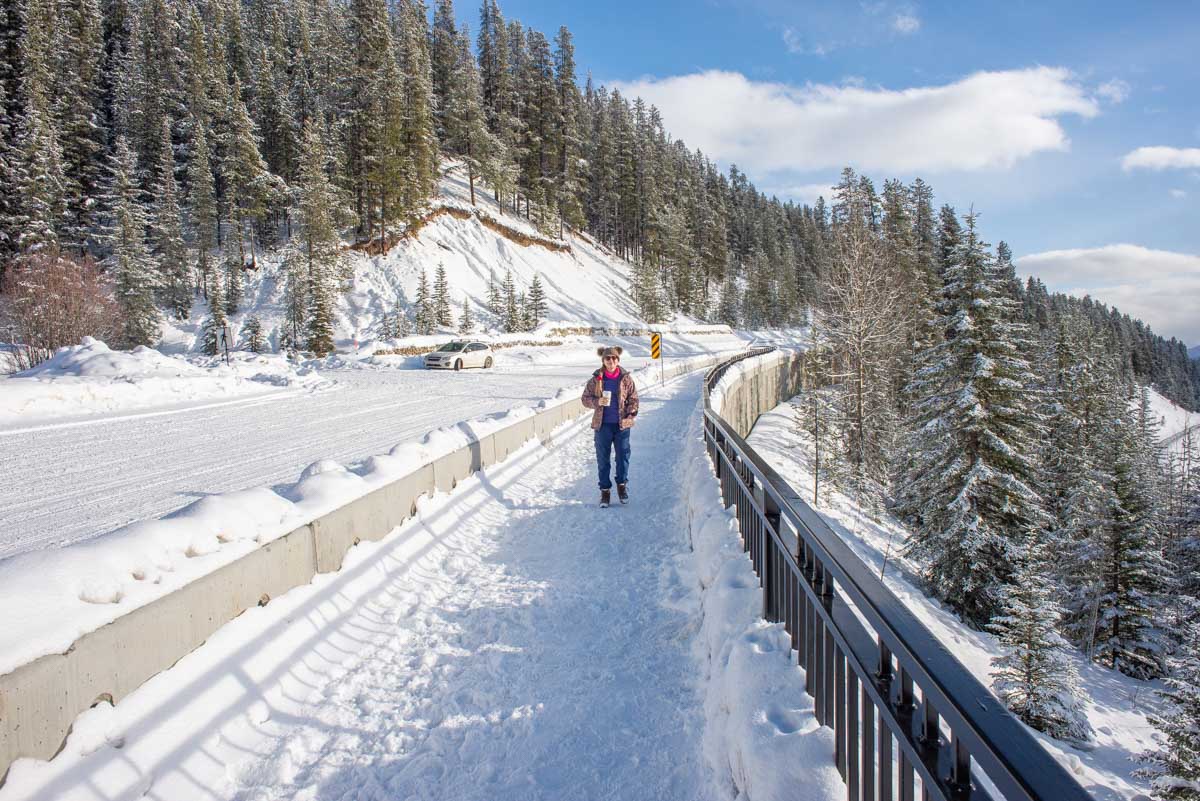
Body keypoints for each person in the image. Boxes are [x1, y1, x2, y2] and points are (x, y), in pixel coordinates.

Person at [581, 346, 639, 507]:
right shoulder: (596, 379)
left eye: (614, 358)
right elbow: (585, 398)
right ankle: (605, 491)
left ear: (618, 360)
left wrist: (630, 414)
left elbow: (634, 399)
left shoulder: (625, 378)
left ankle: (622, 486)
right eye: (608, 358)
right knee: (603, 460)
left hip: (622, 426)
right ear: (603, 361)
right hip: (602, 426)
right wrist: (596, 401)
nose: (611, 361)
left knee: (623, 457)